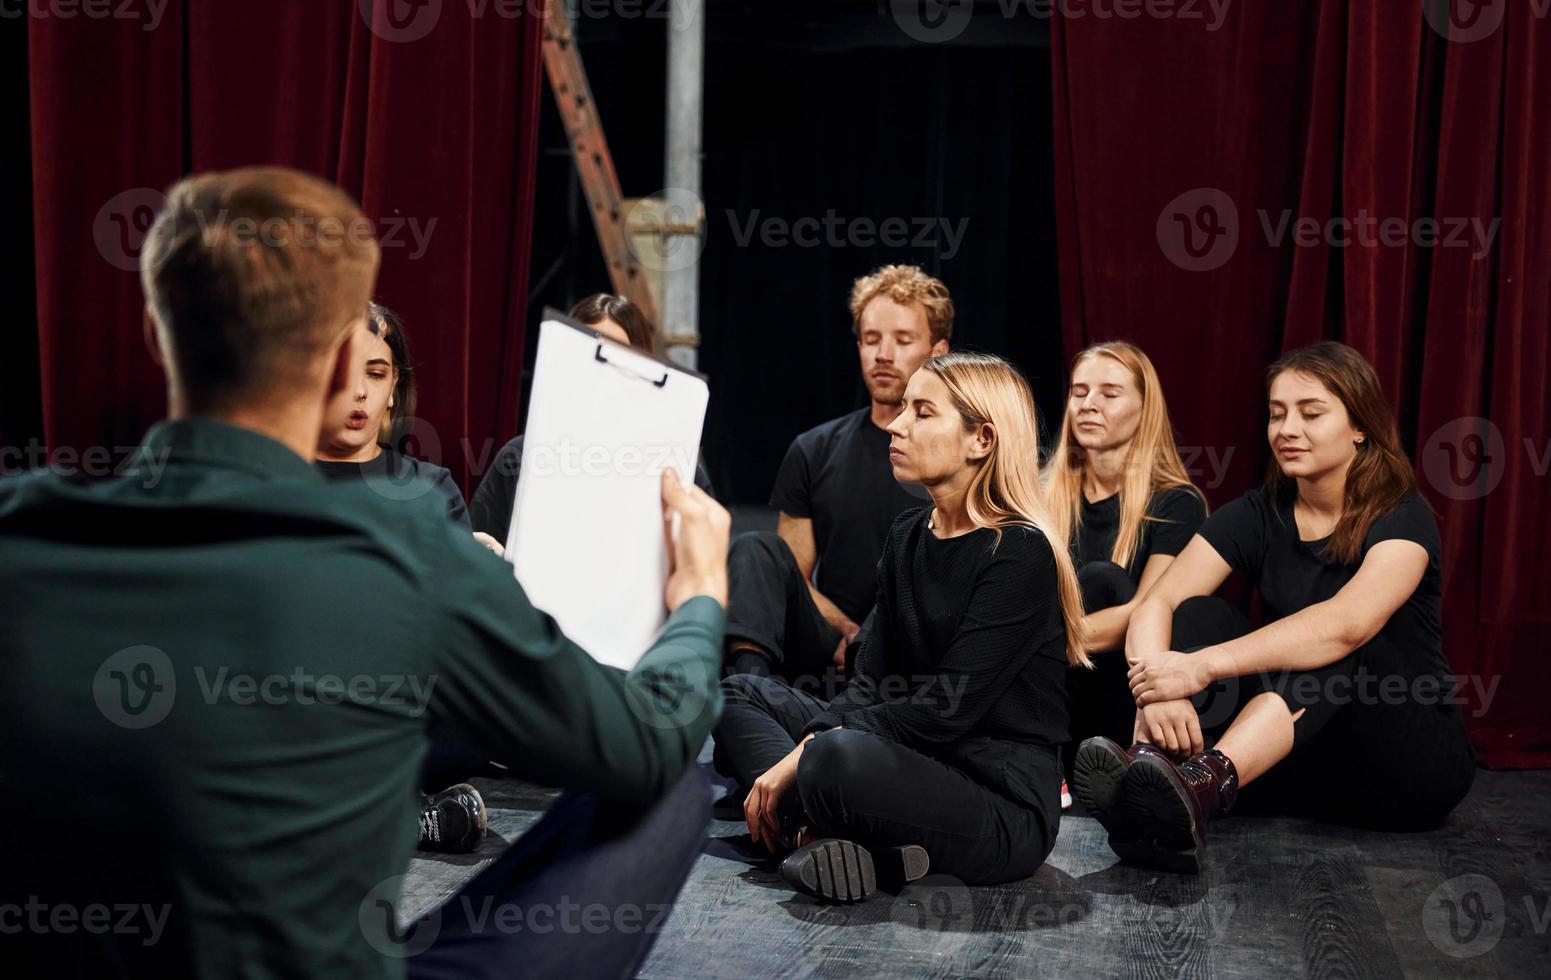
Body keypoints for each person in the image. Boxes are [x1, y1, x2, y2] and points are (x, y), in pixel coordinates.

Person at [0, 167, 732, 979]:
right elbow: (647, 740)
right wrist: (698, 591)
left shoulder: (23, 536)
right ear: (347, 356)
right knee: (673, 780)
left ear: (154, 329)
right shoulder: (411, 553)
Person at [1072, 341, 1475, 874]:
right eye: (1277, 413)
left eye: (1310, 413)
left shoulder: (1402, 515)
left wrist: (1199, 665)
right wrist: (1154, 687)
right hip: (1305, 759)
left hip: (1404, 763)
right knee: (1194, 612)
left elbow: (1345, 626)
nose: (1287, 428)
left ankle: (1202, 784)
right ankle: (1157, 772)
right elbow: (1158, 600)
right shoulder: (1261, 510)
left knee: (1337, 642)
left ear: (1361, 426)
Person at [712, 352, 1088, 902]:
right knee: (736, 693)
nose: (895, 424)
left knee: (831, 758)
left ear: (981, 439)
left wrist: (811, 748)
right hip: (909, 757)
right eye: (903, 408)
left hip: (999, 803)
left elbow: (945, 710)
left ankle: (818, 824)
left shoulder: (1020, 553)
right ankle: (814, 832)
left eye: (922, 412)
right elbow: (868, 685)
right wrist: (818, 741)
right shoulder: (909, 533)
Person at [724, 264, 951, 682]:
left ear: (937, 351)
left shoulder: (955, 452)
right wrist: (847, 633)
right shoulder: (814, 449)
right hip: (830, 645)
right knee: (756, 550)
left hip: (917, 653)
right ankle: (747, 692)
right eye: (871, 339)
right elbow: (790, 572)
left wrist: (874, 637)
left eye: (903, 340)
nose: (884, 354)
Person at [1041, 342, 1206, 798]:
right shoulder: (1041, 493)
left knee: (1103, 580)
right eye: (1079, 392)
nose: (1089, 404)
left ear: (1143, 407)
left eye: (1109, 393)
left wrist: (1036, 643)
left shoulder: (1175, 503)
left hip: (1117, 680)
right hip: (1049, 683)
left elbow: (1147, 611)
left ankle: (1114, 759)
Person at [468, 292, 715, 542]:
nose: (601, 369)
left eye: (617, 354)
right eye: (588, 351)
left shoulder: (678, 473)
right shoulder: (520, 456)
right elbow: (478, 553)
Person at [315, 302, 471, 531]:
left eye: (376, 374)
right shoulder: (272, 479)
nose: (359, 391)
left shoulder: (432, 488)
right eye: (343, 371)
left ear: (393, 386)